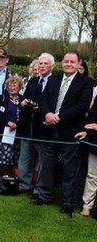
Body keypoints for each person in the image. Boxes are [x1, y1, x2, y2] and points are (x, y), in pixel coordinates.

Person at [33, 50, 93, 217]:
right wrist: (47, 114)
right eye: (66, 61)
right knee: (47, 166)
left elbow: (82, 106)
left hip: (70, 133)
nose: (68, 64)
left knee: (69, 170)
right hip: (49, 130)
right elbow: (43, 100)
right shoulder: (54, 79)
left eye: (72, 62)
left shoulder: (86, 82)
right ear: (62, 62)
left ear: (79, 63)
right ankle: (44, 196)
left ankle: (68, 203)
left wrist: (58, 117)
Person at [19, 53, 54, 195]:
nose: (42, 66)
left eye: (46, 64)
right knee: (25, 156)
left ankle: (39, 189)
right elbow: (25, 97)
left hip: (44, 126)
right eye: (40, 63)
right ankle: (23, 185)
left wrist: (42, 110)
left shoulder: (56, 82)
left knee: (43, 160)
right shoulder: (33, 81)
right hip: (29, 124)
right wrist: (23, 102)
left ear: (51, 66)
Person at [0, 75, 24, 177]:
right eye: (10, 86)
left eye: (15, 86)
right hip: (3, 131)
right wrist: (8, 122)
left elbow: (25, 116)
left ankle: (10, 179)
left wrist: (17, 124)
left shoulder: (23, 100)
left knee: (13, 156)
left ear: (19, 87)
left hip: (17, 133)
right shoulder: (0, 98)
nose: (12, 88)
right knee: (0, 156)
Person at [75, 106, 97, 217]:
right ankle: (87, 206)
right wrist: (85, 132)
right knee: (92, 175)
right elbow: (91, 117)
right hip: (95, 143)